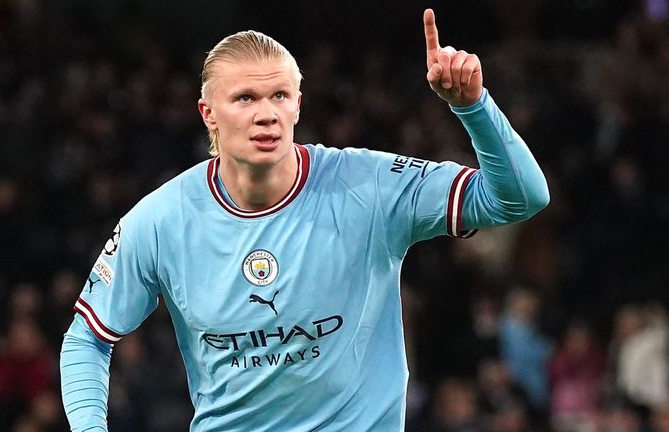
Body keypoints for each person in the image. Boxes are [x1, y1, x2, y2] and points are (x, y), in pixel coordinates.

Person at [60, 9, 549, 431]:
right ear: (209, 114)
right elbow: (87, 337)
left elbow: (519, 198)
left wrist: (473, 107)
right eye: (246, 99)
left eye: (279, 96)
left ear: (299, 103)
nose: (266, 114)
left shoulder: (369, 186)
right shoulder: (162, 219)